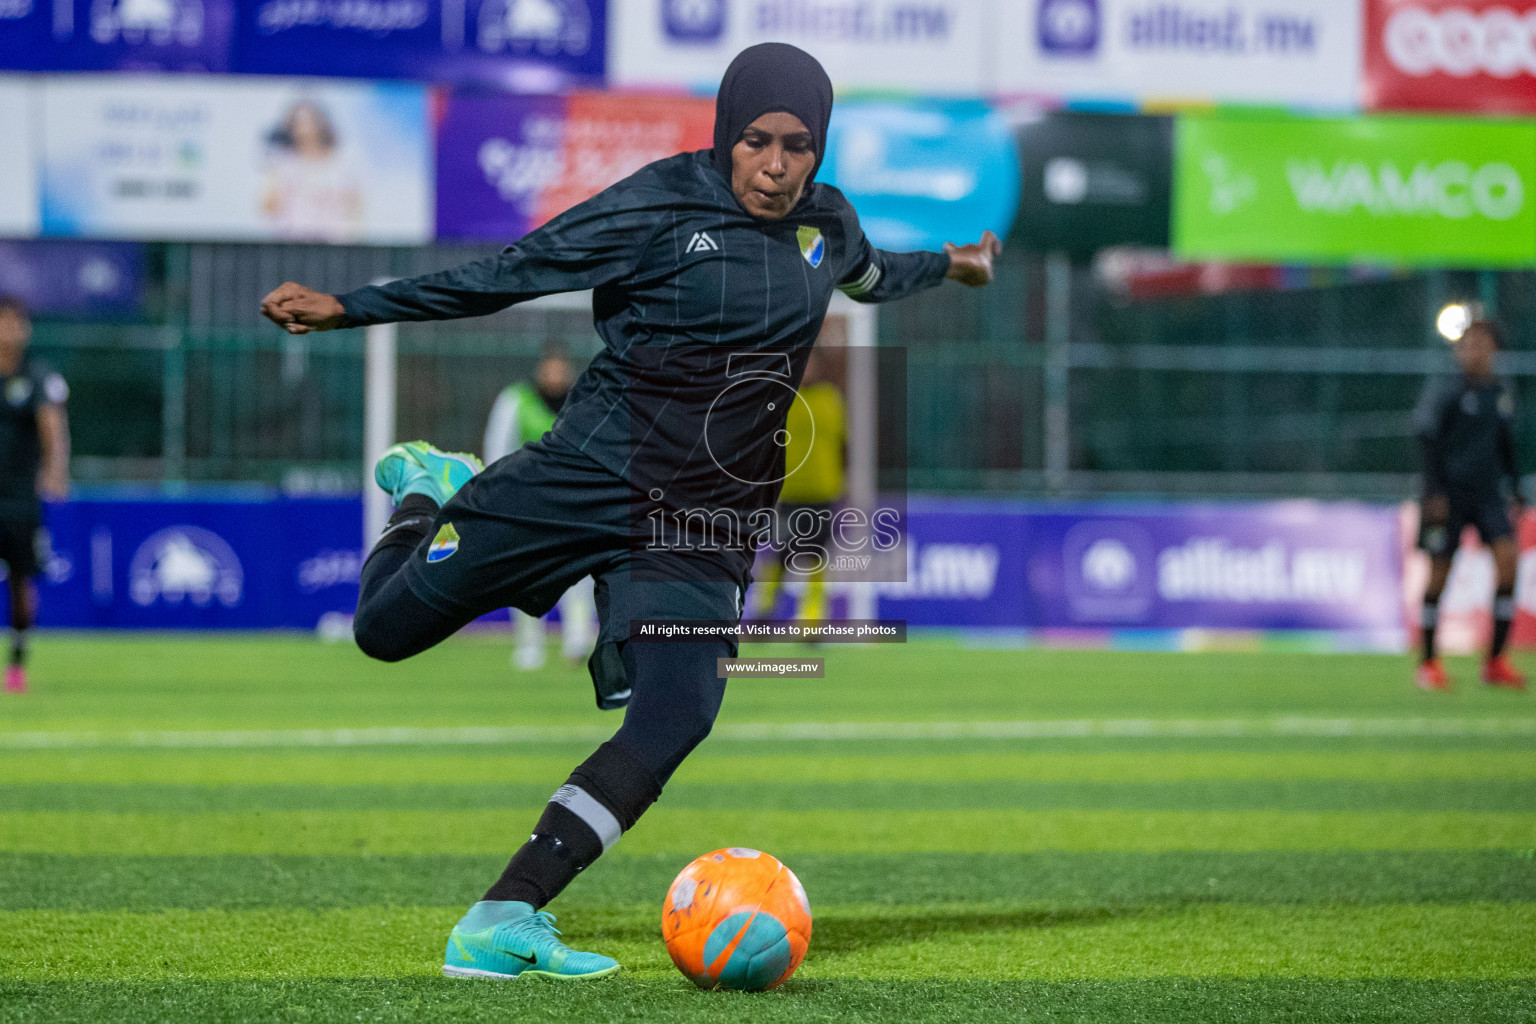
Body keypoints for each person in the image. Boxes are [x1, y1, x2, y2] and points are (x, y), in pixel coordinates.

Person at [260, 42, 1000, 981]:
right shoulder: (657, 202)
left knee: (677, 713)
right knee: (382, 632)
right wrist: (350, 308)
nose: (777, 166)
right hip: (587, 475)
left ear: (821, 150)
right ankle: (430, 487)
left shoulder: (827, 225)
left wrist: (959, 265)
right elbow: (511, 272)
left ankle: (501, 917)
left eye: (799, 146)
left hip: (703, 522)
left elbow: (878, 274)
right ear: (729, 134)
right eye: (758, 142)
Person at [1415, 318, 1526, 691]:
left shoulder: (1500, 392)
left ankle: (1495, 660)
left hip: (1488, 495)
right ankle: (1428, 663)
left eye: (1481, 344)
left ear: (1494, 350)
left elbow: (1506, 445)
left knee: (1509, 565)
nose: (1473, 351)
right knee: (1439, 574)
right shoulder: (1446, 390)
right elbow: (1427, 440)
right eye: (1467, 345)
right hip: (1447, 496)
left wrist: (1517, 488)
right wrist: (1432, 494)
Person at [483, 345, 595, 669]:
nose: (556, 376)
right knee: (526, 572)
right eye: (551, 369)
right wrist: (498, 493)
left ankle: (577, 641)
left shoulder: (583, 400)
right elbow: (497, 447)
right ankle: (530, 645)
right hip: (527, 501)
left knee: (580, 573)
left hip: (572, 499)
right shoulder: (516, 399)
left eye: (562, 369)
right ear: (540, 371)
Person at [0, 297, 69, 695]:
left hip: (21, 499)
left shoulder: (36, 376)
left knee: (20, 583)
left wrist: (55, 472)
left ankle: (16, 664)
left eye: (17, 324)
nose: (11, 331)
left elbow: (52, 428)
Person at [748, 342, 845, 624]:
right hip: (787, 492)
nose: (807, 369)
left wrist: (844, 482)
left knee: (817, 551)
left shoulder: (830, 399)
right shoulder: (782, 399)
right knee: (781, 551)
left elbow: (843, 445)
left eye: (812, 363)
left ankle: (812, 617)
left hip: (823, 492)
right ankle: (764, 610)